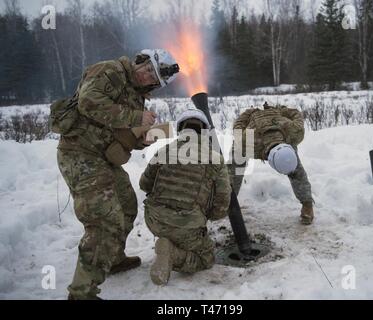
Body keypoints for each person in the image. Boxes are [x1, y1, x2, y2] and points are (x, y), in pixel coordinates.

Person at [56, 49, 180, 299]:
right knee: (104, 221)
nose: (146, 77)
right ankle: (81, 293)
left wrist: (143, 137)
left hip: (103, 157)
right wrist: (136, 117)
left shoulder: (137, 95)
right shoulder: (109, 70)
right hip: (80, 155)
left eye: (152, 77)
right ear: (141, 59)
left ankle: (112, 258)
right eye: (147, 70)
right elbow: (88, 102)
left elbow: (120, 130)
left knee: (126, 205)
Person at [139, 109, 231, 286]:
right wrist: (205, 217)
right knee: (206, 259)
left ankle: (168, 243)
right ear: (204, 131)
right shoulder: (215, 159)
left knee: (179, 232)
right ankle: (173, 253)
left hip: (154, 221)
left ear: (180, 128)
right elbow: (222, 203)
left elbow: (144, 184)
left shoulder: (164, 151)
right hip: (186, 226)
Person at [230, 102, 314, 225]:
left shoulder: (295, 133)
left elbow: (296, 113)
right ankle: (229, 202)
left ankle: (307, 204)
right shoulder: (247, 142)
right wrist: (248, 114)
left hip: (284, 132)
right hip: (254, 129)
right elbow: (238, 127)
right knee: (235, 166)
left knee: (296, 170)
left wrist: (282, 111)